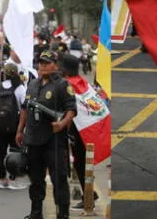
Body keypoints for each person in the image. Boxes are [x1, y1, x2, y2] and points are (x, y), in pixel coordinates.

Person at [16, 50, 77, 219]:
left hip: (54, 140)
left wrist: (62, 124)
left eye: (46, 62)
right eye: (40, 62)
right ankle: (36, 212)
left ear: (55, 66)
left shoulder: (63, 85)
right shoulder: (33, 84)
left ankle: (63, 214)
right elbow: (24, 108)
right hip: (33, 139)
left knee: (59, 180)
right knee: (36, 179)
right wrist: (20, 130)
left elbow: (71, 110)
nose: (42, 65)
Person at [60, 54, 99, 209]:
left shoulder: (67, 85)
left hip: (78, 130)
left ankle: (89, 195)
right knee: (81, 162)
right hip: (87, 129)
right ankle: (89, 193)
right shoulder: (82, 82)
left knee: (80, 162)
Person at [0, 63, 27, 190]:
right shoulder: (20, 88)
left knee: (0, 152)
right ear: (16, 73)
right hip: (14, 125)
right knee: (15, 151)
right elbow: (24, 108)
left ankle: (1, 179)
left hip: (0, 124)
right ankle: (14, 178)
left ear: (4, 74)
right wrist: (21, 128)